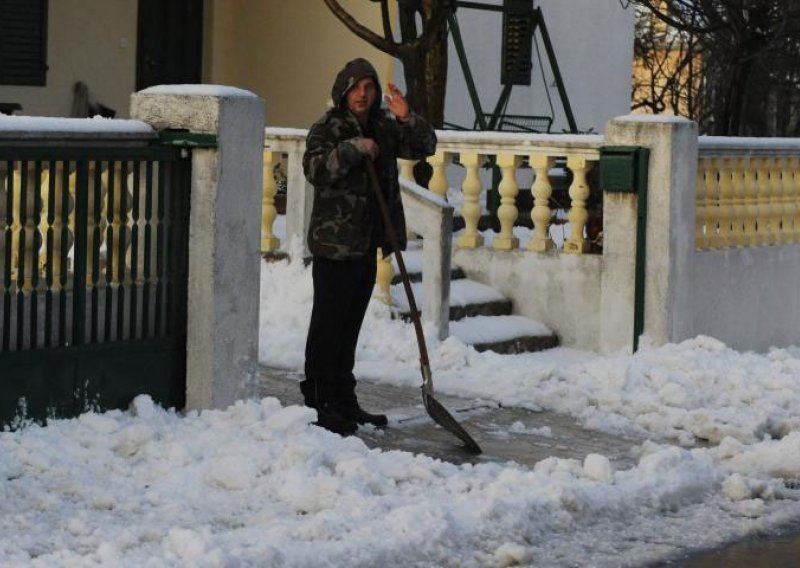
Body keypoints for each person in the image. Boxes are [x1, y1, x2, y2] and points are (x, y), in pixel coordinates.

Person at [301, 58, 437, 435]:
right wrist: (351, 149)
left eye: (369, 87)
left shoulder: (383, 126)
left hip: (367, 244)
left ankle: (345, 399)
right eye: (356, 87)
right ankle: (319, 400)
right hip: (335, 245)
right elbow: (313, 170)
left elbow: (424, 146)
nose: (363, 94)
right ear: (343, 91)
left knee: (349, 328)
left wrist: (407, 117)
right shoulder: (327, 128)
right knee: (328, 328)